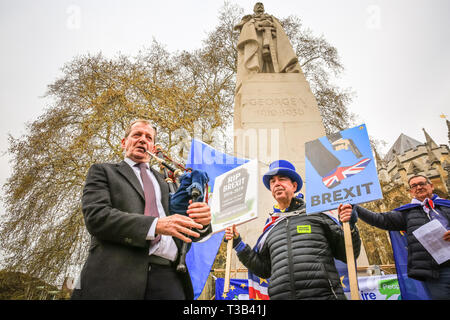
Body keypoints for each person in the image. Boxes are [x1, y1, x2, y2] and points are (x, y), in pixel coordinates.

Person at [71, 119, 212, 300]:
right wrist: (155, 225)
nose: (142, 140)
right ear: (124, 142)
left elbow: (185, 231)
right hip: (117, 276)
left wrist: (203, 222)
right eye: (136, 135)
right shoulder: (103, 172)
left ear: (153, 148)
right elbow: (96, 217)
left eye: (148, 137)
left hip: (169, 278)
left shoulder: (167, 183)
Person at [225, 160, 361, 299]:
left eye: (282, 179)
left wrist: (349, 226)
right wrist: (238, 244)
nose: (276, 184)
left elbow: (348, 253)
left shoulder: (318, 215)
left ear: (294, 186)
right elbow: (264, 270)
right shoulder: (271, 226)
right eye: (272, 181)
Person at [338, 174, 450, 300]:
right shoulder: (407, 213)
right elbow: (380, 219)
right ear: (410, 191)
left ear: (431, 186)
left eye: (422, 184)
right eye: (414, 186)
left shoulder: (447, 205)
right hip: (436, 273)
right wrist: (354, 206)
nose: (418, 187)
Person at [233, 2, 302, 91]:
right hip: (256, 38)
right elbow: (239, 26)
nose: (260, 6)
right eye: (257, 5)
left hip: (272, 38)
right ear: (254, 9)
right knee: (256, 58)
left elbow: (279, 26)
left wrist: (271, 25)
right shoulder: (249, 18)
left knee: (277, 57)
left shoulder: (271, 18)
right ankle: (255, 73)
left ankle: (282, 72)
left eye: (261, 5)